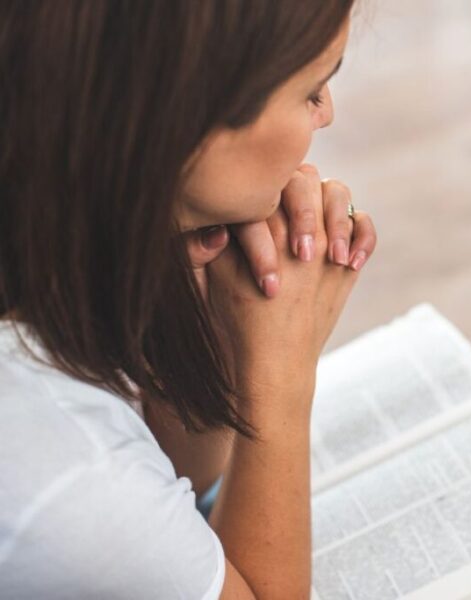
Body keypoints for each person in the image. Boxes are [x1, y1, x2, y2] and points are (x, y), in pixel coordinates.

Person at [0, 2, 376, 598]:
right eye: (312, 89)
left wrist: (216, 324)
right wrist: (279, 374)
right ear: (188, 120)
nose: (327, 114)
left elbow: (172, 478)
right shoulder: (61, 466)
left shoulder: (59, 238)